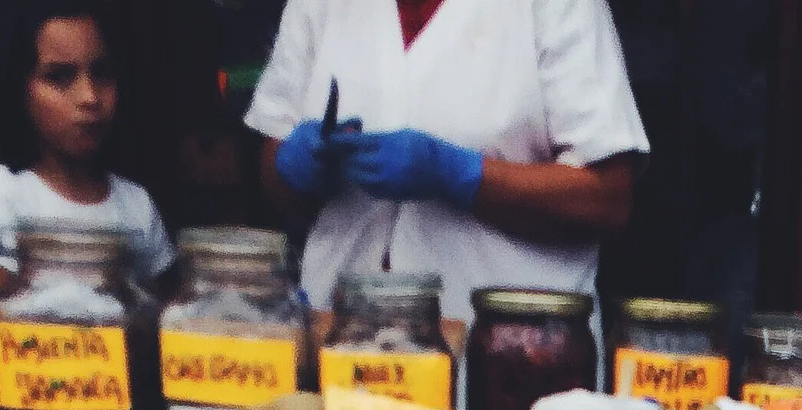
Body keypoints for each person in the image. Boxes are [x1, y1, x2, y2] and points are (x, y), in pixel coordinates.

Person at [246, 0, 648, 329]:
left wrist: (460, 176)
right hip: (340, 335)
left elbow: (608, 198)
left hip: (511, 349)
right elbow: (274, 181)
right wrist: (295, 167)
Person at [0, 0, 175, 291]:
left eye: (101, 73)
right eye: (59, 77)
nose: (90, 97)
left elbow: (155, 316)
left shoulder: (136, 205)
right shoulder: (0, 191)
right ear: (16, 88)